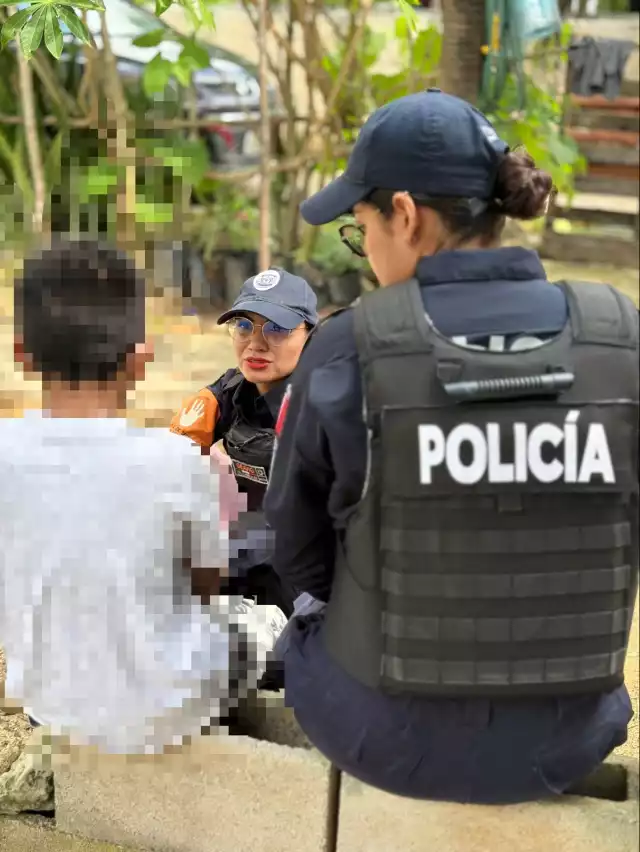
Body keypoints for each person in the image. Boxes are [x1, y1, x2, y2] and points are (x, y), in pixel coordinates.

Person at [264, 90, 638, 804]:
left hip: (381, 734)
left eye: (361, 229)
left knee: (305, 617)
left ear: (405, 214)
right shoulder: (619, 339)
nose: (365, 251)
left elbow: (299, 554)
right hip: (568, 735)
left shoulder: (346, 347)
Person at [0, 239, 286, 754]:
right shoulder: (175, 464)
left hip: (50, 703)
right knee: (268, 622)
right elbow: (205, 586)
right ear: (142, 359)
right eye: (245, 327)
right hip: (163, 711)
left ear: (21, 354)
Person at [170, 268, 318, 618]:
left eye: (277, 329)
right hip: (252, 555)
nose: (256, 343)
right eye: (244, 326)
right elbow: (168, 464)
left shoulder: (327, 400)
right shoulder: (228, 394)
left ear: (311, 336)